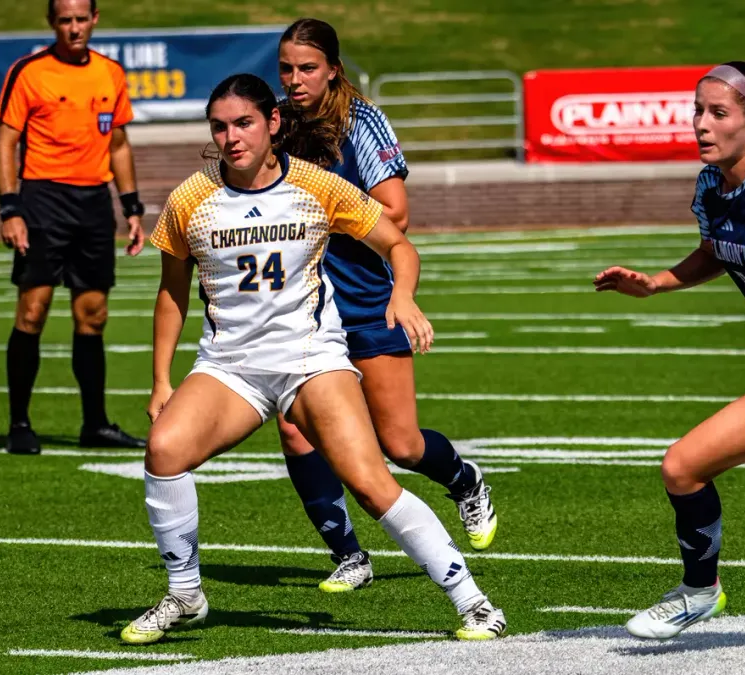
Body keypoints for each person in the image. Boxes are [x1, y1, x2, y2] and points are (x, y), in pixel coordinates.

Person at [119, 72, 507, 646]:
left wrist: (402, 295)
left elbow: (398, 243)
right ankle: (186, 593)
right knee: (164, 450)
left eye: (245, 123)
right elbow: (172, 291)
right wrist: (160, 381)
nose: (232, 138)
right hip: (231, 366)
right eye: (220, 127)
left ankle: (475, 603)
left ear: (273, 123)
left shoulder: (318, 185)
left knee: (373, 484)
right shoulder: (189, 199)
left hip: (310, 359)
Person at [272, 18, 497, 593]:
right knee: (297, 430)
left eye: (307, 69)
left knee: (400, 444)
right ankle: (349, 554)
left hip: (368, 300)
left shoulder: (360, 121)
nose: (295, 80)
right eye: (287, 69)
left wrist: (326, 212)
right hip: (303, 309)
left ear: (334, 69)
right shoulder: (278, 122)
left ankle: (465, 481)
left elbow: (395, 215)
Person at [594, 60, 745, 640]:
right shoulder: (712, 184)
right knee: (683, 467)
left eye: (717, 113)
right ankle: (700, 593)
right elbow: (715, 251)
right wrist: (655, 283)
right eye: (697, 110)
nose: (700, 123)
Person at [0, 0, 148, 454]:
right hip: (42, 199)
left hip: (94, 204)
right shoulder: (29, 72)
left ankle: (94, 424)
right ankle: (19, 424)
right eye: (65, 20)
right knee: (33, 311)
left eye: (82, 19)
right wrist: (10, 209)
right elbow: (6, 142)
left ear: (95, 20)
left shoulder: (111, 73)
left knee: (93, 315)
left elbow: (118, 144)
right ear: (52, 22)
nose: (74, 28)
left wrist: (131, 206)